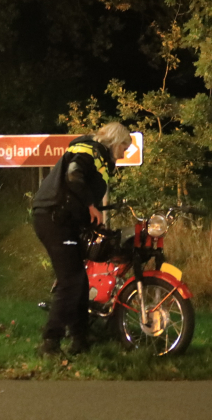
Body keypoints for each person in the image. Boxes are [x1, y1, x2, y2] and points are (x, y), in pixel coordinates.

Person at [32, 122, 132, 356]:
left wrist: (96, 209)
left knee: (81, 282)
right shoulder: (89, 149)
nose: (126, 152)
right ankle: (50, 343)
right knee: (71, 280)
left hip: (63, 218)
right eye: (125, 146)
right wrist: (90, 205)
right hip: (54, 217)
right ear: (117, 141)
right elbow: (73, 175)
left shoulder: (100, 156)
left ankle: (80, 340)